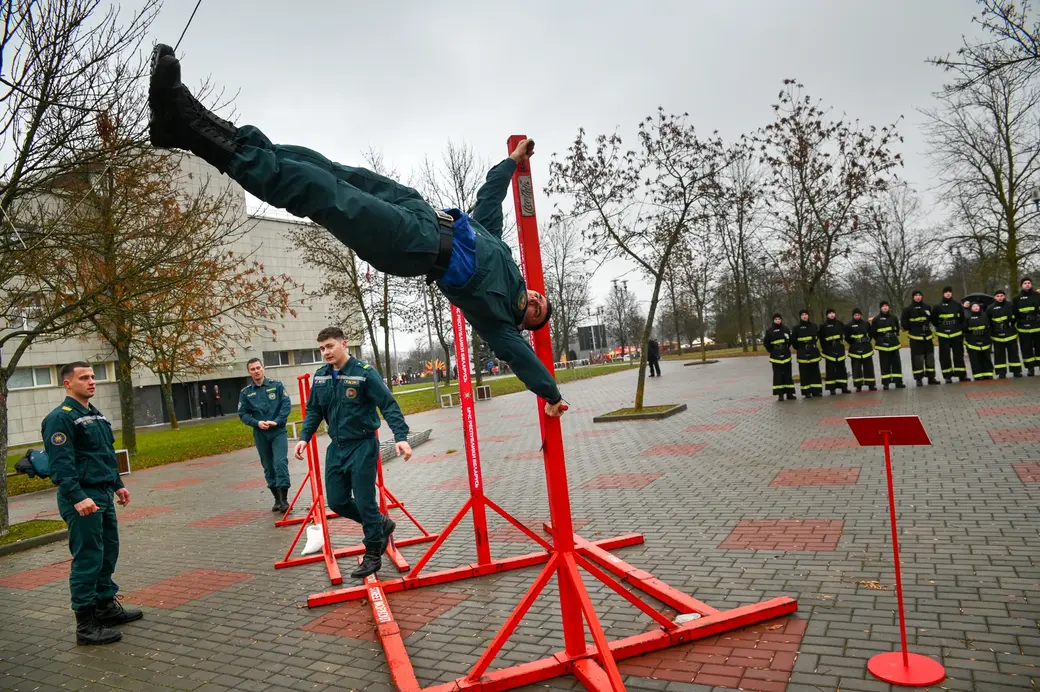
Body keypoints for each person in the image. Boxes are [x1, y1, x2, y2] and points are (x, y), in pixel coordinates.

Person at [147, 45, 566, 418]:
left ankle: (187, 127)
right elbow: (489, 200)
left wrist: (550, 393)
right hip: (419, 208)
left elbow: (521, 359)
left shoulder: (497, 323)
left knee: (318, 190)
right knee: (316, 164)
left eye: (536, 312)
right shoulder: (504, 254)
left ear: (525, 321)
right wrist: (511, 161)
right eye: (540, 299)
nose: (535, 301)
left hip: (412, 245)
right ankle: (187, 120)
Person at [293, 326, 413, 579]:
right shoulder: (321, 376)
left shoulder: (364, 374)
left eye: (330, 346)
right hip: (336, 447)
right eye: (322, 348)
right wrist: (304, 437)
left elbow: (388, 405)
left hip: (362, 445)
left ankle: (372, 553)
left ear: (344, 344)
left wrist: (401, 437)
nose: (326, 352)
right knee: (336, 501)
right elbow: (314, 409)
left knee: (366, 500)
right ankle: (381, 524)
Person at [42, 362, 143, 645]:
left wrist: (118, 485)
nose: (91, 382)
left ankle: (105, 606)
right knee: (88, 558)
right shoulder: (60, 419)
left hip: (102, 494)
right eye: (83, 377)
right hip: (82, 498)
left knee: (108, 552)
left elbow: (105, 455)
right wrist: (77, 497)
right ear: (67, 384)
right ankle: (86, 626)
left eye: (92, 377)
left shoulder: (95, 416)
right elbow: (61, 467)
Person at [238, 358, 292, 513]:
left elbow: (286, 405)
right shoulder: (246, 392)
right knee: (268, 466)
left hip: (278, 431)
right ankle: (276, 499)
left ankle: (284, 499)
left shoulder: (277, 386)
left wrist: (277, 421)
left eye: (258, 367)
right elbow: (243, 413)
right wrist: (256, 423)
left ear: (263, 368)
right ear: (249, 372)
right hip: (260, 433)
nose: (256, 371)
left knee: (280, 462)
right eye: (252, 369)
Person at [901, 290, 940, 386]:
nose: (918, 297)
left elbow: (932, 319)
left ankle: (931, 378)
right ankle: (919, 379)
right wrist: (915, 326)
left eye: (919, 295)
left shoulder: (927, 307)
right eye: (916, 295)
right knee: (917, 359)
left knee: (930, 358)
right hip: (915, 338)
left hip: (927, 337)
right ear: (913, 297)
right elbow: (904, 324)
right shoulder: (908, 309)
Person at [932, 286, 969, 383]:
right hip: (943, 335)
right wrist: (941, 326)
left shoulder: (957, 305)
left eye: (949, 292)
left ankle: (961, 375)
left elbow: (962, 319)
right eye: (946, 292)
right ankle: (947, 376)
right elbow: (934, 320)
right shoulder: (937, 306)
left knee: (958, 355)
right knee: (944, 356)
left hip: (956, 333)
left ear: (952, 293)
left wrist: (960, 329)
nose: (948, 294)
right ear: (943, 294)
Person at [986, 288, 1021, 378]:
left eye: (1001, 296)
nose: (1000, 298)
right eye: (998, 296)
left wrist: (1011, 323)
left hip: (1011, 334)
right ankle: (1001, 373)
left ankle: (1016, 371)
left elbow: (1016, 316)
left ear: (1004, 296)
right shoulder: (990, 308)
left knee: (1013, 354)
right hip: (997, 336)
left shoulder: (1011, 305)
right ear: (994, 297)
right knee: (999, 355)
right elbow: (988, 321)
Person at [870, 301, 906, 390]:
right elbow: (873, 332)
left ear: (889, 307)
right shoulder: (876, 319)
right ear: (880, 308)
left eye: (887, 306)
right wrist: (880, 340)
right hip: (882, 345)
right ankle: (886, 383)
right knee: (885, 364)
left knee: (896, 363)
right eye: (883, 306)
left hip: (894, 343)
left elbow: (897, 329)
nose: (885, 307)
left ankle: (898, 382)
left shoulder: (894, 317)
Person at [763, 313, 796, 401]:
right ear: (773, 320)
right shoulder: (769, 331)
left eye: (779, 319)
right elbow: (766, 343)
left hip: (786, 355)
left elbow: (789, 341)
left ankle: (790, 394)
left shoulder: (786, 329)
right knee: (778, 375)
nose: (778, 320)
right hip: (775, 356)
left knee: (788, 375)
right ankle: (780, 394)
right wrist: (773, 351)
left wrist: (784, 348)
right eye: (776, 319)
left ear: (781, 320)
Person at [791, 309, 823, 398]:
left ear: (808, 316)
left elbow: (816, 338)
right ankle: (806, 391)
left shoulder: (813, 326)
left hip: (813, 352)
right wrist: (801, 348)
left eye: (806, 314)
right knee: (804, 373)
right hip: (802, 353)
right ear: (800, 316)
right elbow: (794, 342)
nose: (804, 316)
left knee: (815, 372)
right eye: (802, 315)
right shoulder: (796, 328)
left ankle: (817, 391)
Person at [818, 308, 850, 395]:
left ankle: (844, 387)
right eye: (830, 313)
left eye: (833, 313)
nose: (832, 314)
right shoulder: (823, 325)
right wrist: (825, 349)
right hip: (829, 349)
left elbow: (846, 334)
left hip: (839, 348)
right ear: (827, 315)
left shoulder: (840, 324)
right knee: (830, 370)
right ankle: (832, 388)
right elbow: (821, 339)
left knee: (841, 369)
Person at [845, 308, 877, 391]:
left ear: (861, 315)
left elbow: (871, 334)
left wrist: (867, 340)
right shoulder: (848, 325)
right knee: (856, 369)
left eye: (858, 315)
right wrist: (853, 343)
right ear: (853, 316)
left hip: (866, 348)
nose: (857, 316)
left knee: (869, 368)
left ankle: (871, 384)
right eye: (855, 315)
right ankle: (858, 385)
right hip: (855, 349)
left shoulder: (866, 323)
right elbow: (847, 337)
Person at [1014, 277, 1040, 375]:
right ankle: (1030, 368)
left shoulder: (1038, 296)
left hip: (1037, 326)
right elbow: (1015, 313)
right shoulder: (1017, 298)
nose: (1027, 284)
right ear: (1021, 285)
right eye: (1025, 283)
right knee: (1026, 349)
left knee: (1039, 347)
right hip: (1023, 328)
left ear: (1031, 284)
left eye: (1029, 283)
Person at [965, 302, 994, 380]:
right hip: (972, 341)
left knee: (986, 358)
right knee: (975, 359)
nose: (976, 307)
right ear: (971, 308)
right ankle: (978, 375)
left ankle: (988, 373)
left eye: (977, 306)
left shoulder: (985, 316)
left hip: (985, 340)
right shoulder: (968, 317)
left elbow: (989, 327)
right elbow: (965, 329)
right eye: (974, 306)